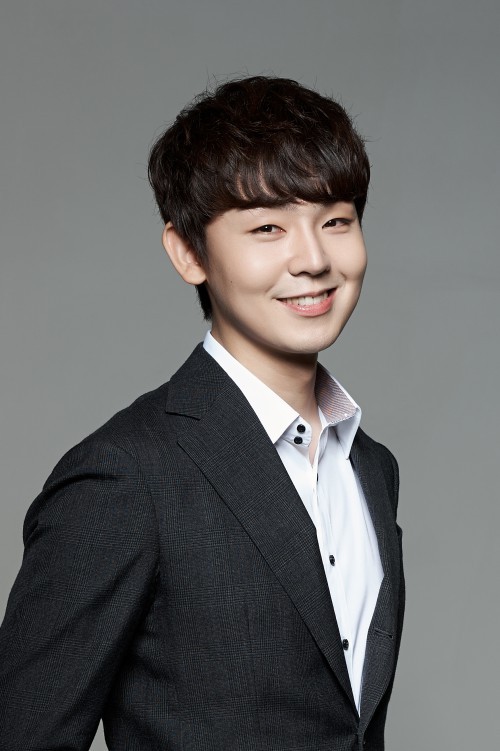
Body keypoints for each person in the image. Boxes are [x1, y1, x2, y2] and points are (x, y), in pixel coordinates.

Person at [0, 76, 404, 751]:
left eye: (336, 220)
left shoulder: (372, 468)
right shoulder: (126, 476)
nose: (313, 259)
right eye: (268, 227)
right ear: (189, 252)